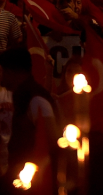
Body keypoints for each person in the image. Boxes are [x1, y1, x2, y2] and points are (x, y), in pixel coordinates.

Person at [0, 47, 58, 192]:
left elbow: (50, 142)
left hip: (33, 185)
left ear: (9, 72)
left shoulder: (36, 99)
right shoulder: (21, 96)